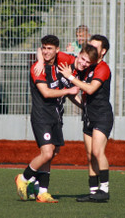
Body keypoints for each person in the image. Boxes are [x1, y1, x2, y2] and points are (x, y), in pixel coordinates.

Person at [14, 35, 79, 203]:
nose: (45, 51)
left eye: (50, 48)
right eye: (43, 48)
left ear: (57, 50)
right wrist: (69, 91)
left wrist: (85, 108)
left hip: (56, 116)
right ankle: (24, 177)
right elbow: (46, 92)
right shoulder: (38, 67)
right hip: (41, 116)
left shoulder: (63, 62)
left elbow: (81, 60)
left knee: (53, 153)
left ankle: (41, 191)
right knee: (47, 152)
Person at [58, 35, 113, 202]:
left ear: (103, 51)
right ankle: (93, 191)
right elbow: (54, 53)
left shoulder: (102, 68)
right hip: (88, 115)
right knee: (89, 155)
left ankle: (104, 189)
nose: (91, 50)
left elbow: (90, 89)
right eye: (89, 46)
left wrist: (71, 78)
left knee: (97, 152)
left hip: (102, 115)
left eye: (95, 48)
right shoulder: (86, 65)